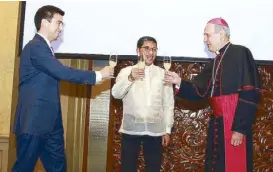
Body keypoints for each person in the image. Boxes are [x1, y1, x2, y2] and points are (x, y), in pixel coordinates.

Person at [12, 5, 113, 172]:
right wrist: (98, 75)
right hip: (34, 122)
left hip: (52, 124)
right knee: (24, 168)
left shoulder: (44, 49)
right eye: (58, 23)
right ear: (45, 22)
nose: (61, 28)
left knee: (58, 168)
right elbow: (62, 71)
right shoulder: (35, 46)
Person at [164, 18, 262, 172]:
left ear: (221, 33)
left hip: (234, 121)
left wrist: (240, 129)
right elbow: (200, 91)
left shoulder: (241, 52)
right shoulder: (216, 60)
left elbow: (249, 92)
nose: (205, 40)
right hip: (217, 123)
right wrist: (179, 81)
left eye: (207, 35)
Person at [112, 36, 174, 172]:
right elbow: (116, 94)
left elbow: (168, 104)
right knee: (127, 168)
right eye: (147, 48)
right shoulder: (126, 71)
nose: (151, 53)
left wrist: (167, 130)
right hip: (131, 129)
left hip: (155, 131)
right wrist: (130, 78)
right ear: (138, 50)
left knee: (153, 168)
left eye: (154, 49)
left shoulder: (163, 73)